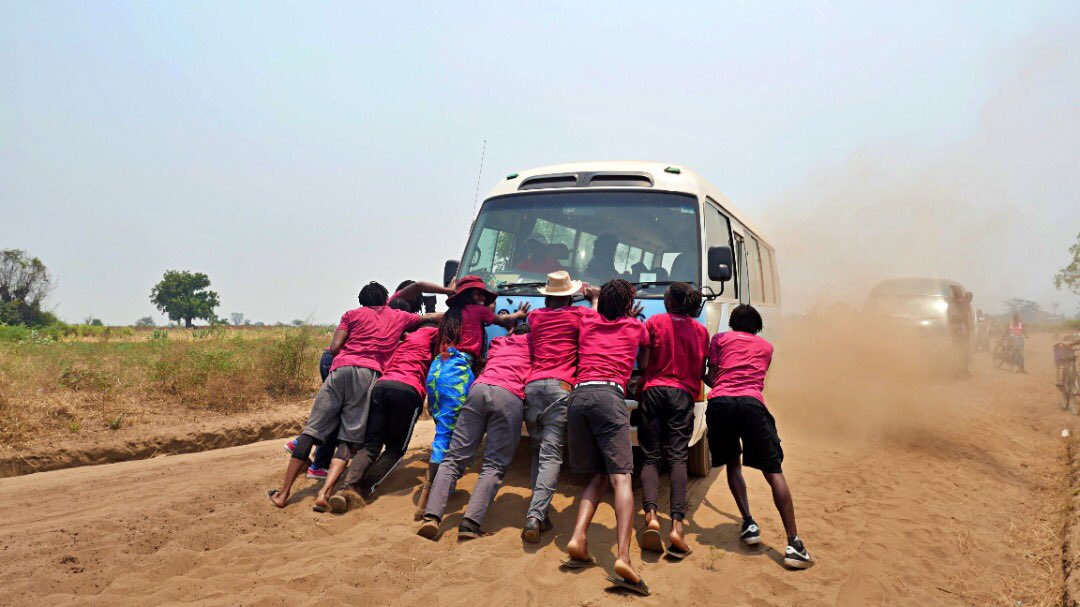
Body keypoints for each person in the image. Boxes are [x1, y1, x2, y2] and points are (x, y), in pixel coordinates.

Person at [267, 282, 440, 509]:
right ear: (385, 299)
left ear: (361, 301)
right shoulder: (399, 317)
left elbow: (335, 347)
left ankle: (283, 494)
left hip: (339, 370)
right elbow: (431, 317)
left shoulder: (351, 314)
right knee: (349, 437)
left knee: (311, 431)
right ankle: (324, 494)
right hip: (369, 376)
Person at [705, 304, 812, 570]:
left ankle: (749, 523)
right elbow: (755, 379)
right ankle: (794, 544)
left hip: (721, 404)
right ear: (757, 326)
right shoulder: (766, 348)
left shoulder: (719, 339)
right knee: (773, 470)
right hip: (752, 405)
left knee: (732, 462)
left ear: (731, 322)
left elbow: (712, 377)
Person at [414, 275, 529, 517]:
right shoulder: (478, 312)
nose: (482, 299)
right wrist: (518, 316)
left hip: (437, 372)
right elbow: (501, 319)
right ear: (471, 296)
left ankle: (434, 492)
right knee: (447, 438)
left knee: (444, 431)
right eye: (479, 294)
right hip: (457, 373)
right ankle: (427, 502)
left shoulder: (449, 316)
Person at [563, 279, 651, 596]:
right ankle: (624, 557)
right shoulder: (635, 328)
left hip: (578, 398)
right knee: (622, 478)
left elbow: (595, 309)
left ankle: (577, 538)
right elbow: (645, 358)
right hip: (609, 396)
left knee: (598, 475)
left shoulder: (587, 318)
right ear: (629, 306)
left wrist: (596, 298)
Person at [418, 323, 532, 540]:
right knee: (494, 465)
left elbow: (507, 338)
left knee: (453, 458)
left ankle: (431, 516)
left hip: (478, 390)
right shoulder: (533, 345)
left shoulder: (499, 343)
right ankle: (470, 524)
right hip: (508, 396)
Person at [319, 317, 440, 513]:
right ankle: (363, 490)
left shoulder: (403, 340)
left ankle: (343, 489)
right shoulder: (433, 335)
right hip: (408, 391)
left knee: (370, 445)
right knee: (395, 449)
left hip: (381, 386)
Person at [520, 270, 597, 542]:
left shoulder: (535, 317)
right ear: (570, 296)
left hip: (532, 387)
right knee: (551, 456)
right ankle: (535, 516)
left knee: (535, 453)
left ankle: (541, 513)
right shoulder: (579, 315)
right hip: (560, 388)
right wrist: (595, 299)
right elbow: (597, 322)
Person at [637, 282, 709, 559]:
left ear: (669, 303)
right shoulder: (702, 331)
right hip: (682, 395)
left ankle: (651, 517)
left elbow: (643, 364)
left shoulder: (654, 321)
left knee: (651, 457)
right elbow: (701, 368)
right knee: (678, 459)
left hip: (653, 391)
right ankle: (677, 527)